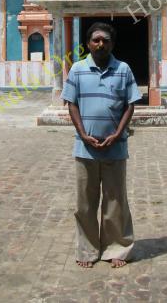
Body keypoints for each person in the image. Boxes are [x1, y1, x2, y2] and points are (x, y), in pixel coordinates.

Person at [61, 22, 142, 268]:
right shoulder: (77, 69)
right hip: (84, 148)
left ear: (112, 44)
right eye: (96, 40)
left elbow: (130, 105)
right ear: (88, 44)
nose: (100, 44)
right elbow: (71, 103)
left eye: (106, 40)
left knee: (115, 201)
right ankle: (87, 250)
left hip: (115, 148)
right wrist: (83, 134)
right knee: (85, 204)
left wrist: (117, 134)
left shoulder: (123, 69)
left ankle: (116, 248)